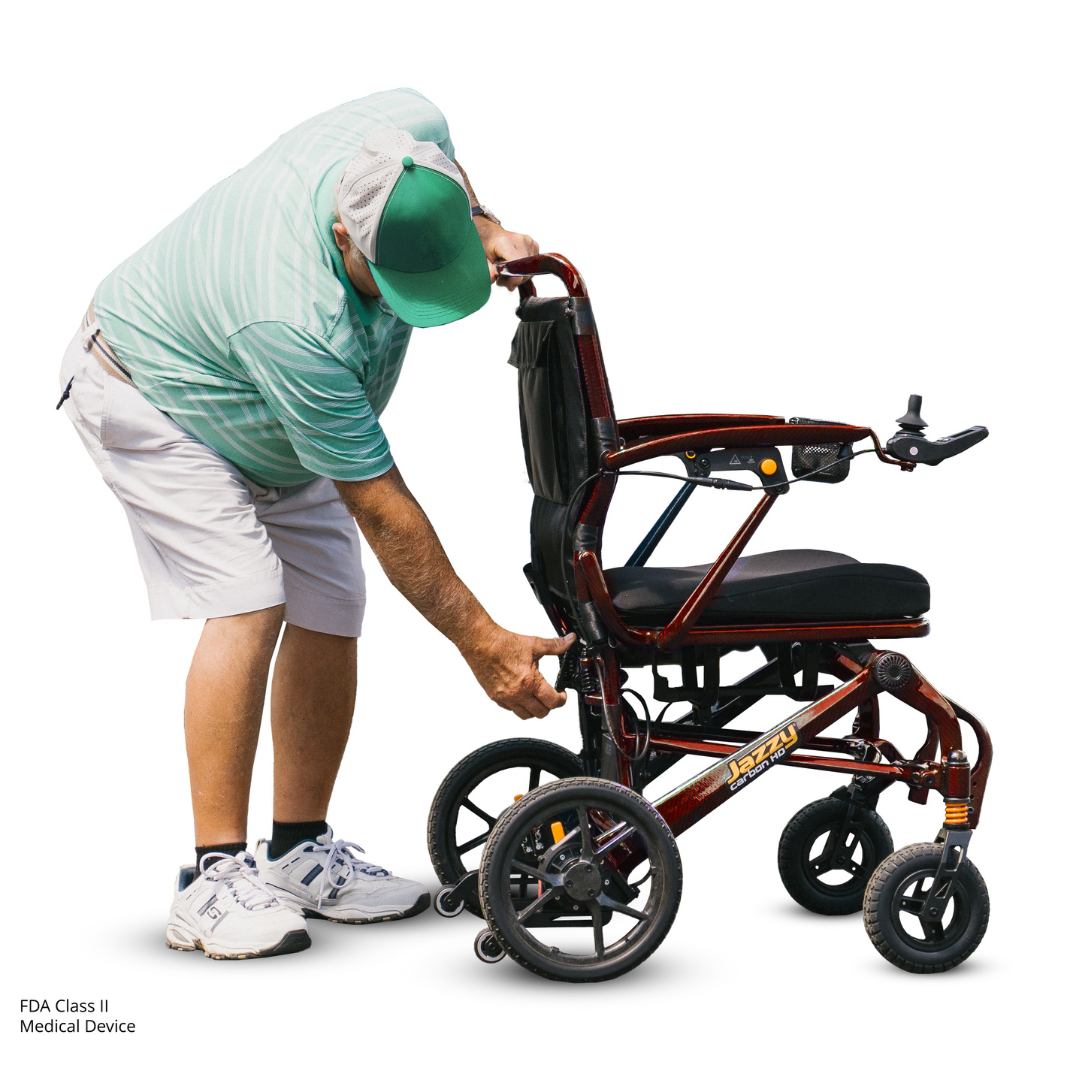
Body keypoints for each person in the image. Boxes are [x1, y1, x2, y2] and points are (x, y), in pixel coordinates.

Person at [58, 88, 574, 960]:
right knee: (252, 598)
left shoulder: (408, 126)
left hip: (262, 411)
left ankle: (299, 850)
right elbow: (377, 499)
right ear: (344, 239)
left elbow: (442, 147)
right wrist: (480, 638)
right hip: (150, 391)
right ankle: (211, 880)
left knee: (332, 599)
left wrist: (483, 221)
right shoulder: (293, 320)